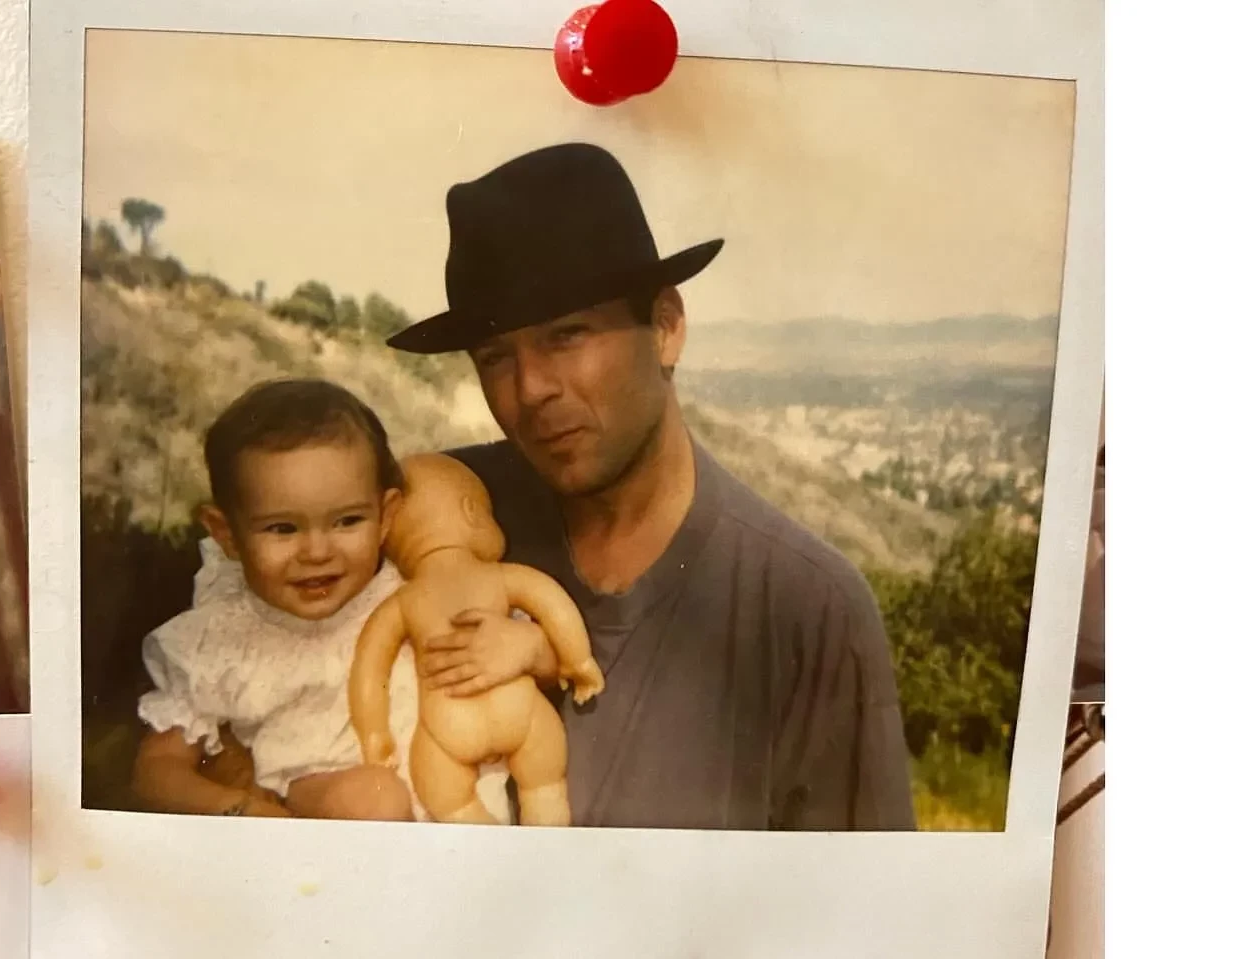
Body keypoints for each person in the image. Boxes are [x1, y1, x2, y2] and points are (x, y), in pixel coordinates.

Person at [386, 142, 918, 830]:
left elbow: (860, 894)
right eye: (494, 357)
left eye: (567, 335)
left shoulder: (807, 608)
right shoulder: (441, 515)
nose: (531, 387)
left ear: (666, 328)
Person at [131, 378, 511, 821]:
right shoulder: (222, 637)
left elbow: (506, 634)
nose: (317, 552)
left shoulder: (412, 584)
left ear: (386, 516)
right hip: (332, 807)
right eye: (283, 529)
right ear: (226, 534)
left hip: (466, 804)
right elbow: (155, 773)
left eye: (347, 521)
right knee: (375, 799)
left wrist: (527, 647)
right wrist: (244, 810)